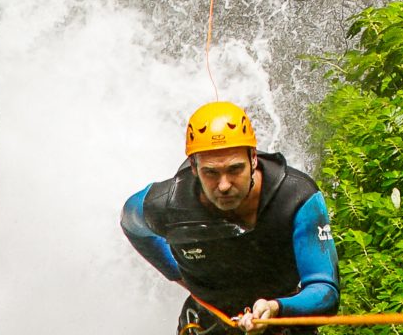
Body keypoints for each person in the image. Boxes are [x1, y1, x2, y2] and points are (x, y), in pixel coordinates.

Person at [121, 101, 339, 334]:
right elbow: (131, 225)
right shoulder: (166, 203)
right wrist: (176, 273)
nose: (224, 185)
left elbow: (325, 290)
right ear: (194, 167)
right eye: (211, 172)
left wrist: (276, 308)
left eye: (235, 169)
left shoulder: (295, 199)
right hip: (206, 324)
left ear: (253, 159)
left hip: (280, 324)